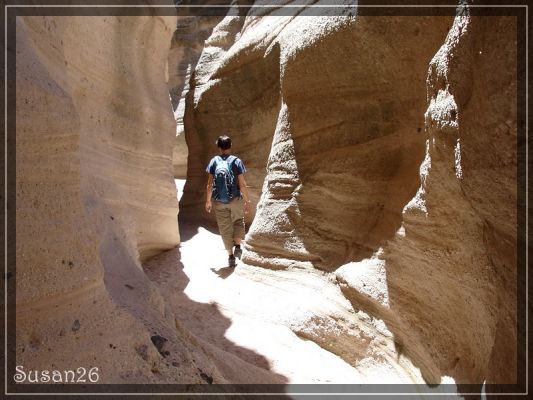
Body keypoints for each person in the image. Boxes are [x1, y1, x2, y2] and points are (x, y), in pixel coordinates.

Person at [205, 135, 251, 267]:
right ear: (230, 146)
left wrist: (208, 201)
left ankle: (230, 256)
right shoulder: (236, 161)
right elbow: (242, 185)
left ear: (219, 148)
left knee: (225, 227)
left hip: (219, 201)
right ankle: (237, 246)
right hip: (235, 199)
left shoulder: (214, 161)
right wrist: (247, 201)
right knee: (238, 221)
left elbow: (209, 184)